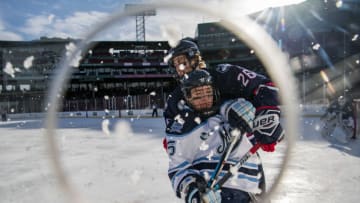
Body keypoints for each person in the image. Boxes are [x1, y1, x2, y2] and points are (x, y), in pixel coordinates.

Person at [163, 37, 284, 202]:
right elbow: (174, 144)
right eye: (175, 65)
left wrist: (267, 118)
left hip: (243, 163)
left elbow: (264, 87)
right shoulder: (174, 101)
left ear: (195, 58)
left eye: (182, 62)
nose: (179, 69)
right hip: (205, 170)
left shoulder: (225, 74)